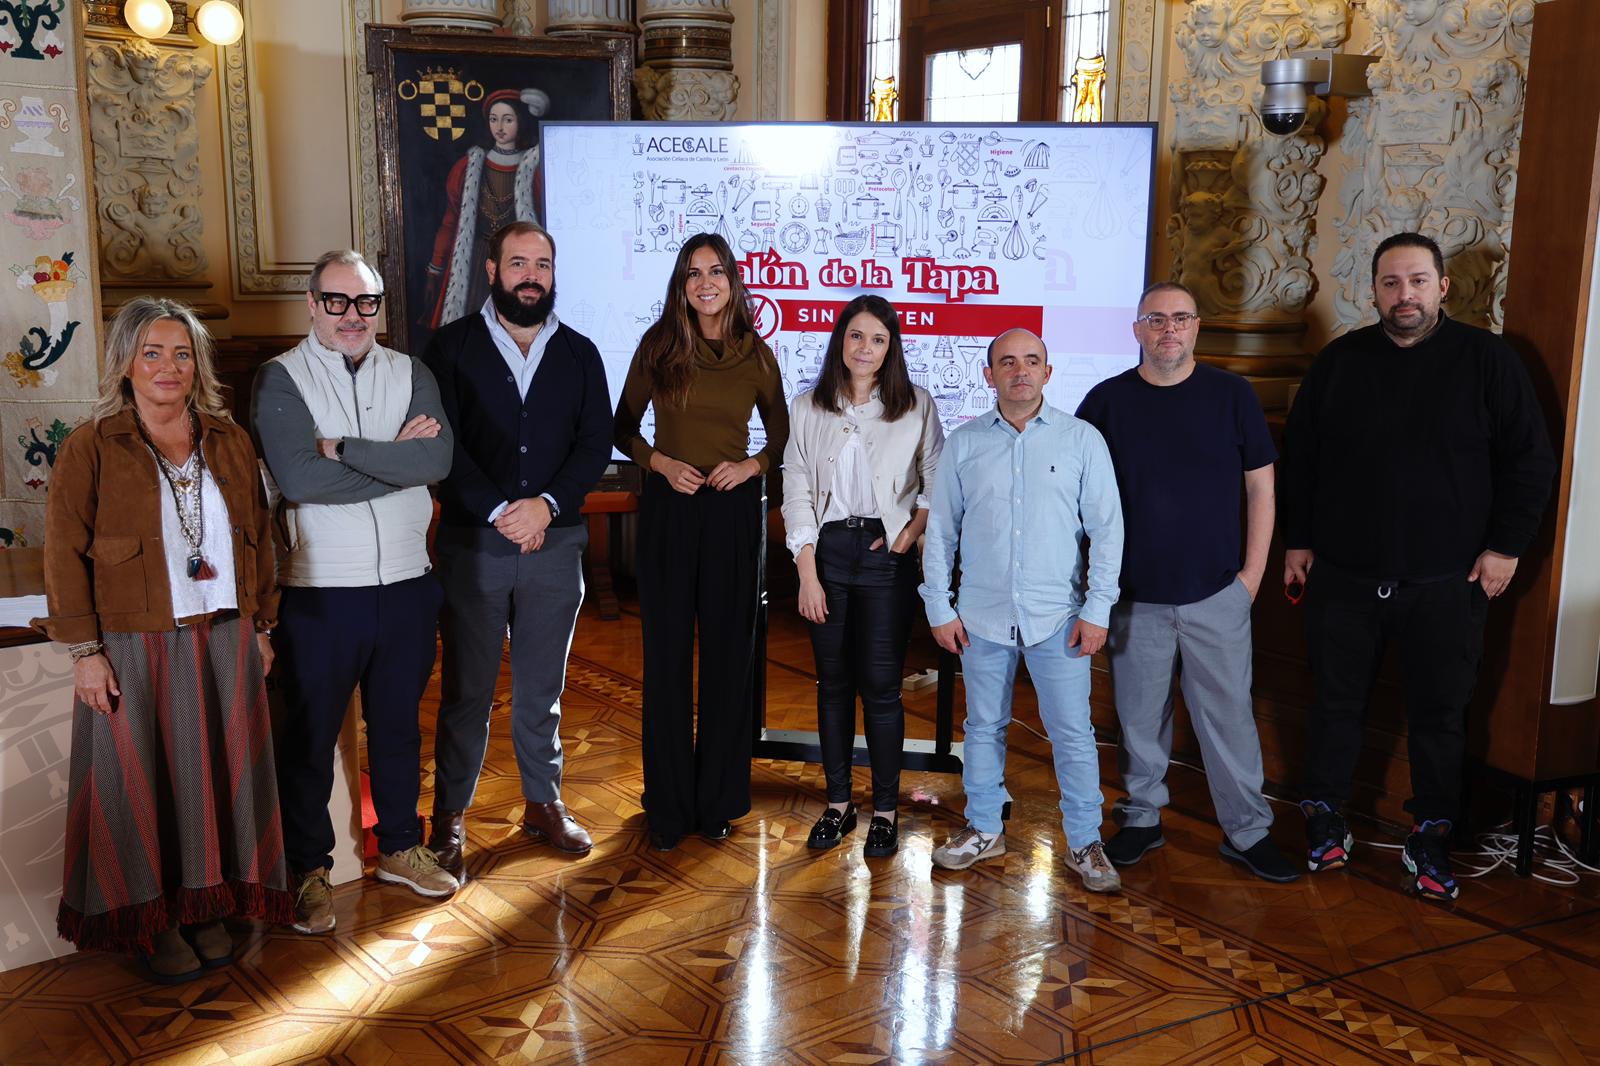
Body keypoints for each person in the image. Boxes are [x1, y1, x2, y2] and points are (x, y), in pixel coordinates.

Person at [1280, 232, 1555, 901]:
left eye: (1418, 281)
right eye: (1391, 283)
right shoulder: (1341, 361)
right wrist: (1297, 540)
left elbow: (1531, 460)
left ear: (1443, 288)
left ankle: (1431, 834)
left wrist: (1506, 548)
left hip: (1448, 581)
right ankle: (1324, 820)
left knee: (1441, 717)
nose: (1405, 295)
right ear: (1373, 290)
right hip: (1343, 577)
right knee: (1336, 707)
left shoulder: (1487, 361)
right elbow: (1302, 460)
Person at [38, 297, 292, 982]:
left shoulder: (230, 439)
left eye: (182, 353)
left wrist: (261, 625)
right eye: (152, 352)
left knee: (210, 775)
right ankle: (152, 918)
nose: (168, 366)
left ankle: (204, 905)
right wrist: (86, 653)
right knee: (142, 781)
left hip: (224, 635)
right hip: (133, 645)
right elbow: (63, 555)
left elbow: (261, 538)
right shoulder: (89, 447)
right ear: (125, 361)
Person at [252, 249, 458, 934]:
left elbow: (437, 460)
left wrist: (342, 449)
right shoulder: (280, 378)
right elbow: (301, 479)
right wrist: (394, 461)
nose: (351, 315)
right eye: (335, 302)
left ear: (380, 308)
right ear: (312, 305)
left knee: (399, 728)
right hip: (320, 590)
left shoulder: (412, 371)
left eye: (365, 302)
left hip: (406, 581)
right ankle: (309, 869)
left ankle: (400, 846)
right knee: (309, 739)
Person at [1076, 282, 1298, 883]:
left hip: (1217, 592)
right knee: (1139, 719)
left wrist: (1251, 579)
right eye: (1155, 319)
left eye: (1180, 318)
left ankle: (1248, 831)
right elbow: (1082, 500)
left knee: (1228, 720)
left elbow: (1261, 488)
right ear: (1137, 329)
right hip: (1133, 598)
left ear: (1196, 327)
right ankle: (1142, 818)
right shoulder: (1105, 402)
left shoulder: (1233, 395)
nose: (1168, 329)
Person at [423, 222, 612, 875]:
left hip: (555, 545)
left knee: (543, 689)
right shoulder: (448, 348)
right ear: (492, 270)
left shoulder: (581, 354)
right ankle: (448, 818)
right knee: (467, 690)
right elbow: (441, 445)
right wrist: (504, 510)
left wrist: (547, 507)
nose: (531, 274)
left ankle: (542, 802)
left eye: (542, 264)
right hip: (475, 545)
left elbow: (593, 446)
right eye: (518, 262)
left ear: (553, 274)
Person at [921, 327, 1125, 892]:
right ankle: (984, 828)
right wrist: (938, 604)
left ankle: (1085, 841)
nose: (1020, 371)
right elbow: (940, 533)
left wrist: (1098, 609)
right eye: (1007, 362)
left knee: (1073, 734)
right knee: (983, 727)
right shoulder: (963, 444)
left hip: (1059, 616)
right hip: (980, 617)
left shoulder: (1082, 440)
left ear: (1047, 372)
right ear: (988, 375)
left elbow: (1107, 532)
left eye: (1031, 360)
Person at [613, 232, 789, 852]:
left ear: (732, 281)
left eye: (715, 271)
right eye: (692, 273)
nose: (704, 282)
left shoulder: (755, 355)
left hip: (733, 515)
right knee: (665, 659)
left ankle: (716, 801)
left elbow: (781, 437)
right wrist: (660, 464)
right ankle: (667, 805)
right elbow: (622, 426)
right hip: (670, 510)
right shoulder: (659, 346)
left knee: (726, 659)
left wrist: (752, 467)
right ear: (680, 285)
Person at [780, 295, 944, 858]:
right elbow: (795, 487)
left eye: (877, 338)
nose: (865, 348)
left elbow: (936, 477)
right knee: (833, 686)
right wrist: (806, 568)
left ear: (890, 346)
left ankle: (886, 811)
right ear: (840, 342)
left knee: (880, 687)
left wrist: (908, 533)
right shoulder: (808, 406)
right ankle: (838, 805)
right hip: (826, 553)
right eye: (856, 336)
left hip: (884, 553)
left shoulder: (916, 404)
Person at [422, 88, 549, 333]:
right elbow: (450, 222)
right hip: (476, 261)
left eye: (507, 119)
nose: (499, 126)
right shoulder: (468, 167)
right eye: (494, 119)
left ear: (520, 122)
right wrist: (436, 266)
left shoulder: (535, 169)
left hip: (518, 265)